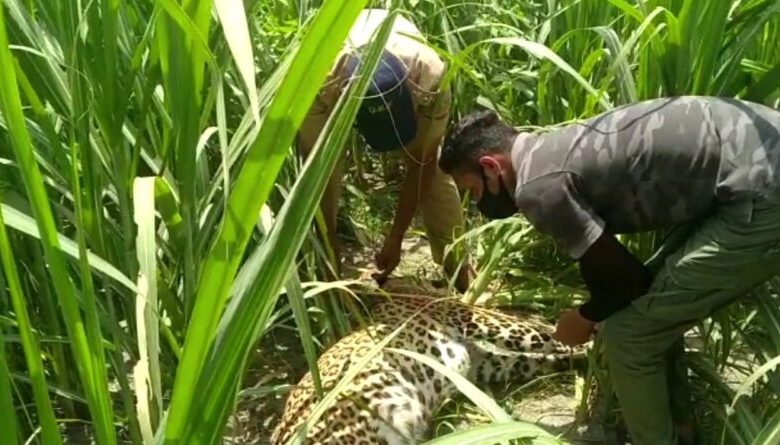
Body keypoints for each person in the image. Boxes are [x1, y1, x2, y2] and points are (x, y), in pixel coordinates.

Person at [438, 96, 780, 445]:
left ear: (491, 167)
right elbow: (627, 280)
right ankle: (683, 433)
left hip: (761, 190)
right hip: (752, 166)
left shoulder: (536, 187)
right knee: (650, 314)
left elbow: (627, 282)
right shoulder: (548, 150)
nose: (479, 202)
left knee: (629, 335)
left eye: (474, 190)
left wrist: (583, 318)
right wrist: (597, 309)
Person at [298, 8, 471, 291]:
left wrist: (396, 237)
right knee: (320, 176)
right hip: (327, 80)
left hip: (407, 63)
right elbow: (318, 176)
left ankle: (459, 270)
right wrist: (331, 257)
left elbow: (423, 162)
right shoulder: (316, 80)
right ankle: (326, 277)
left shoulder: (431, 76)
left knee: (434, 167)